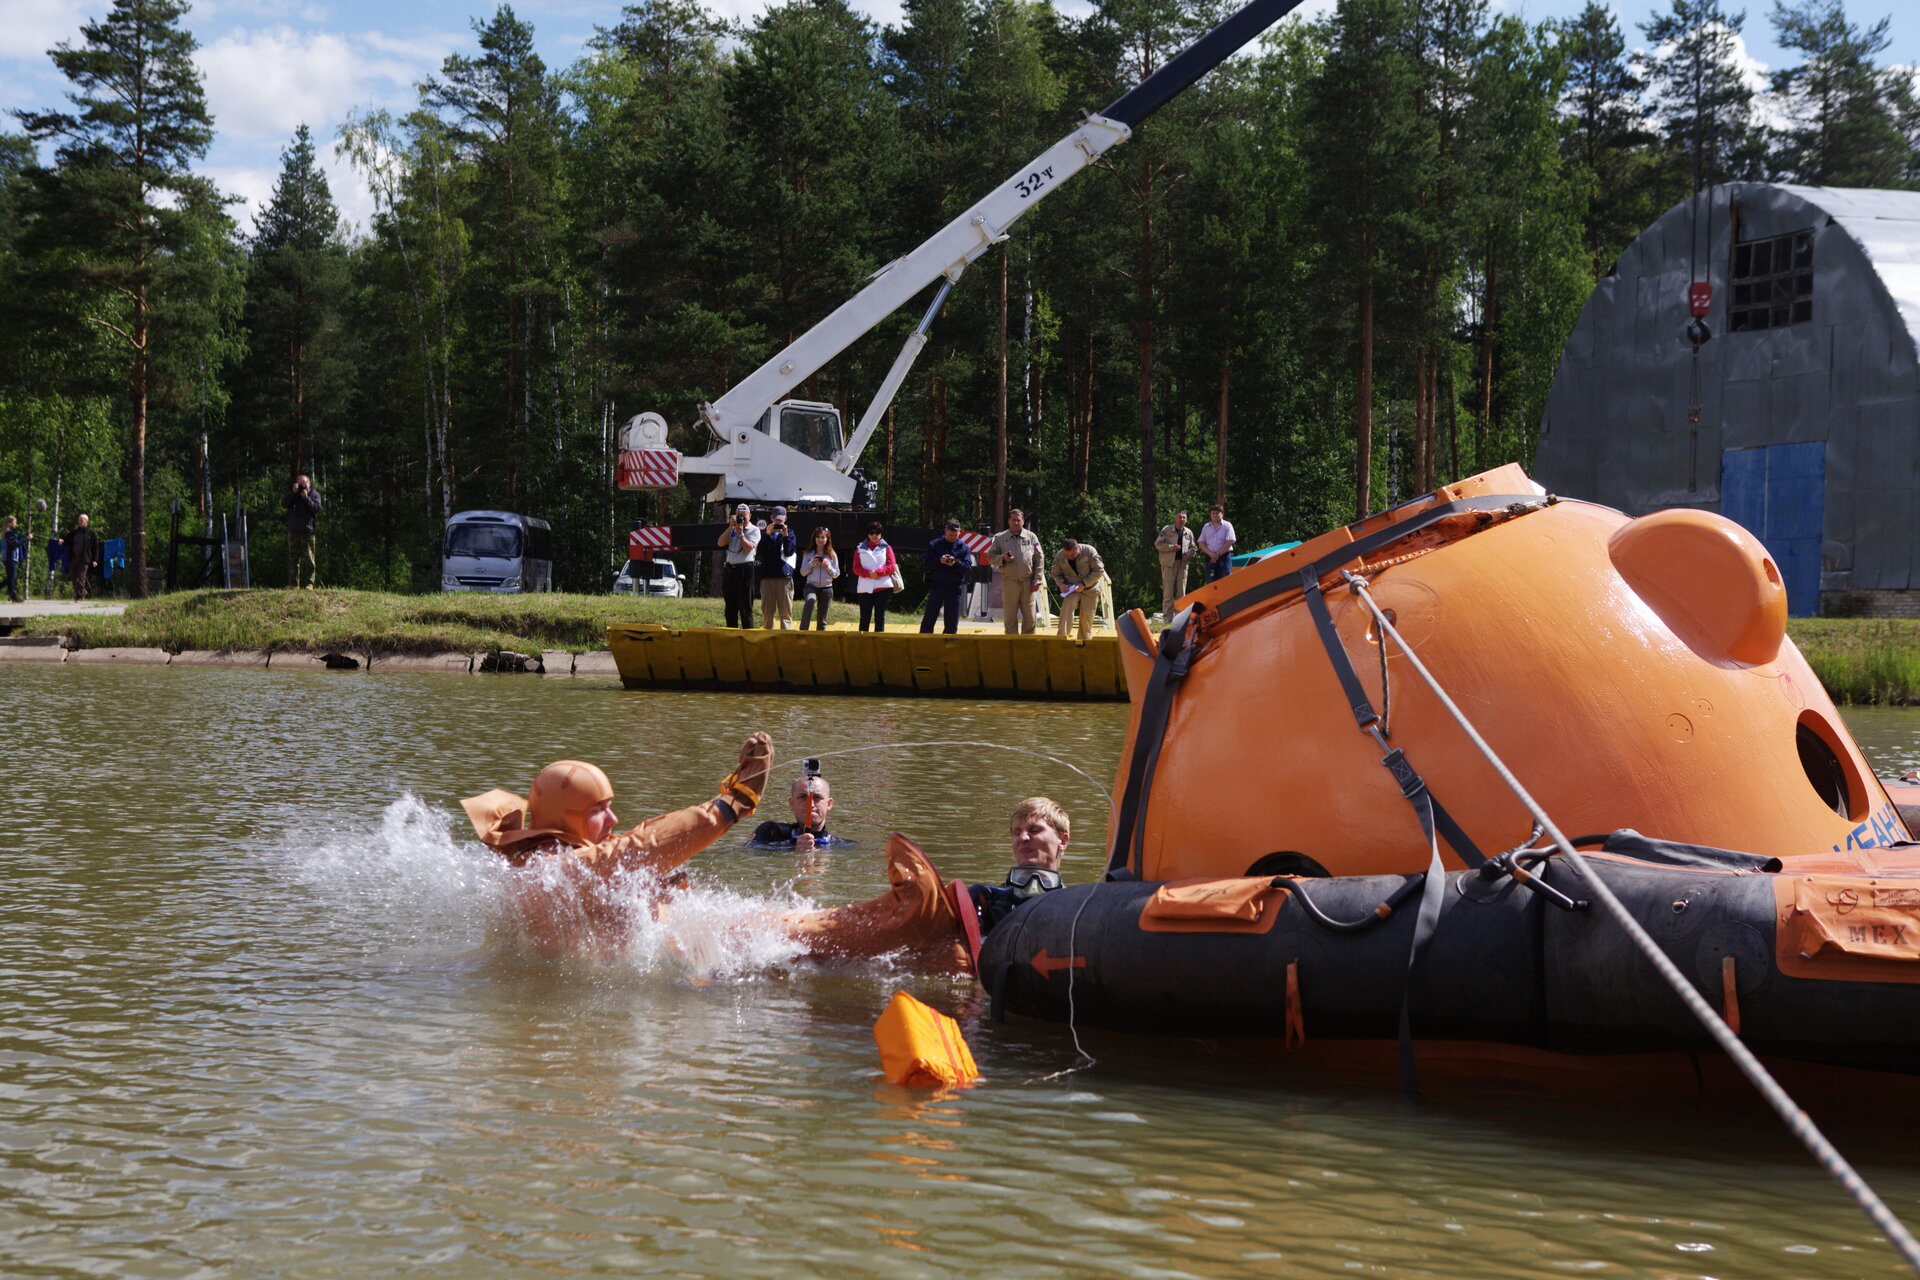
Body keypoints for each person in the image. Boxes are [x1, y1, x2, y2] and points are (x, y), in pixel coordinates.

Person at [464, 734, 774, 951]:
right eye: (598, 810)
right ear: (565, 818)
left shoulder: (558, 858)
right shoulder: (548, 871)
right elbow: (640, 847)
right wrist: (732, 804)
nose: (612, 819)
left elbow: (633, 841)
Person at [967, 797, 1071, 933]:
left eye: (1034, 830)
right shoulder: (985, 899)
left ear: (1062, 840)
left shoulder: (1077, 906)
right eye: (1016, 832)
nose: (1022, 838)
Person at [747, 771, 855, 851]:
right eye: (803, 797)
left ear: (829, 804)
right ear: (791, 803)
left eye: (817, 798)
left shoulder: (846, 847)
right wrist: (794, 851)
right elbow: (748, 854)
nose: (810, 805)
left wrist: (818, 856)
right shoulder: (771, 832)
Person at [988, 509, 1044, 635]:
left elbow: (1039, 558)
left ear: (1023, 521)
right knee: (1009, 615)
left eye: (1019, 520)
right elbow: (990, 557)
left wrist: (1038, 579)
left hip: (1028, 581)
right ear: (1008, 521)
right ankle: (1011, 642)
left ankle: (1028, 643)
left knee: (1030, 616)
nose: (1016, 523)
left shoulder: (1031, 537)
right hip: (1009, 581)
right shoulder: (1000, 538)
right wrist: (1002, 558)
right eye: (1013, 520)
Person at [920, 519, 972, 634]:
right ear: (945, 531)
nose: (953, 537)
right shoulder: (934, 544)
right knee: (929, 618)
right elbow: (926, 563)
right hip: (937, 585)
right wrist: (940, 560)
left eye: (955, 535)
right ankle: (923, 645)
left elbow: (967, 566)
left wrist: (955, 563)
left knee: (952, 622)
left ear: (959, 533)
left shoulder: (963, 547)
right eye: (950, 535)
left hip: (954, 587)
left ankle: (949, 646)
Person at [716, 503, 761, 628]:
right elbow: (720, 543)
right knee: (730, 608)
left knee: (745, 608)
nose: (741, 518)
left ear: (750, 516)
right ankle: (732, 636)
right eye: (739, 515)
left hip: (745, 570)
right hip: (730, 570)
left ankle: (748, 638)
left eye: (744, 516)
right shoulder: (732, 529)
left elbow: (748, 548)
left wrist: (741, 533)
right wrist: (731, 527)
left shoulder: (754, 530)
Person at [1052, 536, 1105, 640]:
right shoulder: (1059, 555)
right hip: (1072, 588)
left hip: (1090, 588)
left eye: (1072, 555)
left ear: (1077, 548)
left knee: (1087, 616)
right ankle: (1062, 638)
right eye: (1067, 555)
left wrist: (1084, 583)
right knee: (1065, 611)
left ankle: (1084, 640)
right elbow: (1056, 574)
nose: (1070, 557)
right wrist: (1061, 584)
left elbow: (1099, 570)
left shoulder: (1089, 550)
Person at [756, 505, 797, 629]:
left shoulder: (790, 533)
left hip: (784, 578)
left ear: (785, 519)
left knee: (785, 612)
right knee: (767, 612)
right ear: (771, 518)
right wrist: (767, 536)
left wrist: (785, 537)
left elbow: (789, 551)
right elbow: (761, 552)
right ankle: (768, 639)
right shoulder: (765, 534)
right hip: (767, 577)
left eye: (781, 519)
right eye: (776, 519)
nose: (778, 522)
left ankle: (786, 641)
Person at [852, 522, 897, 632]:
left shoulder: (887, 548)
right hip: (865, 587)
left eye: (877, 532)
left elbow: (892, 566)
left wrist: (878, 572)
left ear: (881, 534)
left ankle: (879, 645)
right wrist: (868, 573)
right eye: (871, 533)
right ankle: (862, 645)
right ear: (868, 534)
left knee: (880, 617)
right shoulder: (859, 548)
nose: (874, 535)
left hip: (883, 587)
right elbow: (855, 568)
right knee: (864, 618)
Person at [1155, 510, 1197, 619]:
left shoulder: (1188, 532)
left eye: (1183, 517)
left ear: (1186, 519)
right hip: (1169, 565)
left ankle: (1180, 619)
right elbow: (1158, 544)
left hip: (1182, 566)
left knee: (1181, 594)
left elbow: (1193, 548)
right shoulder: (1167, 530)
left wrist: (1188, 555)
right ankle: (1167, 619)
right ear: (1175, 518)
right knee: (1168, 593)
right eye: (1179, 517)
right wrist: (1171, 547)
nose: (1181, 519)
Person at [797, 526, 838, 631]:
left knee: (822, 618)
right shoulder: (808, 553)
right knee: (810, 600)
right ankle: (803, 630)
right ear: (814, 539)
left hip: (827, 588)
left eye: (823, 537)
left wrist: (827, 566)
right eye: (818, 537)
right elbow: (802, 573)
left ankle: (821, 637)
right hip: (811, 585)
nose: (820, 540)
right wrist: (811, 564)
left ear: (827, 539)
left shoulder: (832, 554)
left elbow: (836, 574)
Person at [285, 475, 321, 589]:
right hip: (293, 531)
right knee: (293, 559)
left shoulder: (314, 495)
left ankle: (310, 583)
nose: (302, 486)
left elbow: (316, 508)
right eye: (299, 483)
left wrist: (306, 498)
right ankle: (293, 583)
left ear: (309, 484)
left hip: (307, 531)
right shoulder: (293, 495)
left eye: (304, 483)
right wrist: (292, 493)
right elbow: (284, 504)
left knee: (309, 559)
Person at [66, 514, 101, 601]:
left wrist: (95, 560)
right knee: (74, 577)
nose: (80, 522)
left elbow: (96, 547)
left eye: (82, 520)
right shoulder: (74, 533)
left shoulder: (91, 533)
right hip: (74, 557)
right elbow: (66, 540)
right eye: (79, 520)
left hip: (84, 558)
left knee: (81, 577)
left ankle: (79, 596)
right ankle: (82, 591)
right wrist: (62, 541)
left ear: (86, 522)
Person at [1199, 503, 1236, 584]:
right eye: (1213, 513)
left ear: (1222, 514)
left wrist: (1217, 554)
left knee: (1225, 582)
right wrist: (1211, 554)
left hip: (1224, 558)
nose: (1215, 515)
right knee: (1211, 583)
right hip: (1210, 558)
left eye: (1217, 513)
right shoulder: (1206, 527)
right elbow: (1201, 542)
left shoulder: (1227, 525)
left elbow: (1230, 541)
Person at [3, 516, 27, 604]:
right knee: (11, 578)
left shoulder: (9, 533)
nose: (16, 524)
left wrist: (24, 537)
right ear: (10, 523)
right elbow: (15, 543)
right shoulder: (8, 533)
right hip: (9, 558)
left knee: (10, 579)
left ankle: (13, 597)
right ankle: (13, 596)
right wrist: (26, 539)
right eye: (15, 522)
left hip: (9, 558)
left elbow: (15, 540)